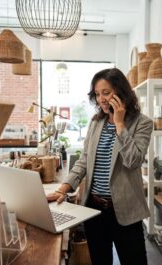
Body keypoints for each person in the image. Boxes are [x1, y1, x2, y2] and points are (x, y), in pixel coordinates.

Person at [47, 68, 153, 265]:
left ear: (121, 92)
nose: (101, 99)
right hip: (94, 210)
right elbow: (84, 160)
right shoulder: (96, 122)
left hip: (126, 211)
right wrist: (64, 187)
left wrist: (120, 126)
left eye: (106, 92)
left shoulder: (142, 123)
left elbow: (134, 160)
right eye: (97, 94)